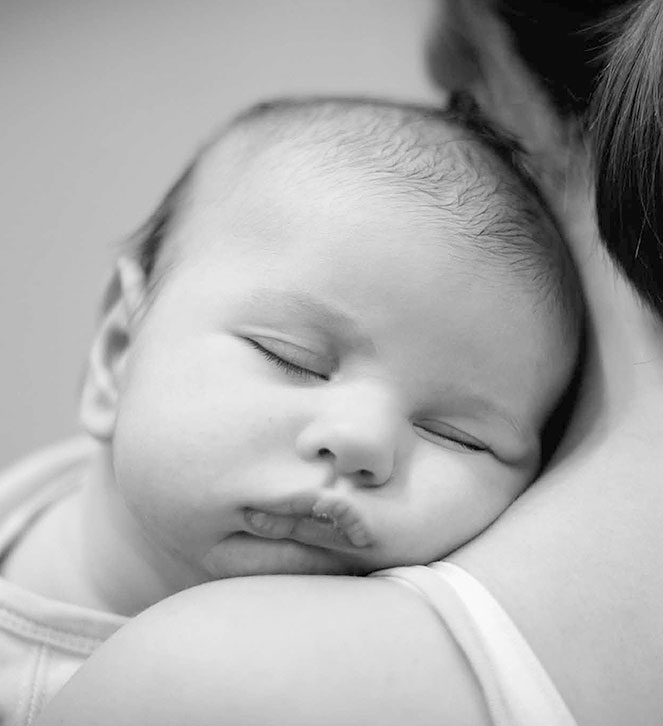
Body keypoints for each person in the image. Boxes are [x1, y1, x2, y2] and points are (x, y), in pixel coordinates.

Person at [33, 1, 663, 724]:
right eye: (290, 358)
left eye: (460, 436)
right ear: (119, 348)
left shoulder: (218, 686)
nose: (361, 441)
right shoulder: (30, 507)